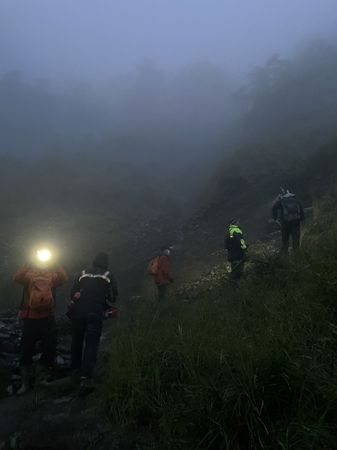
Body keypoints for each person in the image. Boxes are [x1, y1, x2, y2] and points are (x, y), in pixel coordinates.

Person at [13, 257, 67, 395]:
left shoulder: (51, 275)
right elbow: (16, 277)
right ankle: (27, 382)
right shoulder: (29, 276)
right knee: (27, 350)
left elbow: (63, 278)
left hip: (43, 317)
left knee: (49, 347)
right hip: (34, 318)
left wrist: (55, 263)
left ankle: (37, 378)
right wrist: (28, 262)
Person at [69, 252, 118, 394]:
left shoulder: (83, 273)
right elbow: (113, 296)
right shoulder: (108, 275)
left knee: (76, 342)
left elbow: (73, 293)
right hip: (94, 313)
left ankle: (75, 373)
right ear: (106, 262)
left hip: (78, 313)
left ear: (94, 261)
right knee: (91, 344)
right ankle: (86, 379)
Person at [272, 188, 304, 254]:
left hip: (285, 223)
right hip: (295, 223)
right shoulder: (295, 199)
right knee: (296, 241)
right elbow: (301, 209)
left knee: (285, 241)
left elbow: (274, 208)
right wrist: (300, 219)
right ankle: (297, 256)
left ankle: (285, 256)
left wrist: (275, 218)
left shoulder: (282, 201)